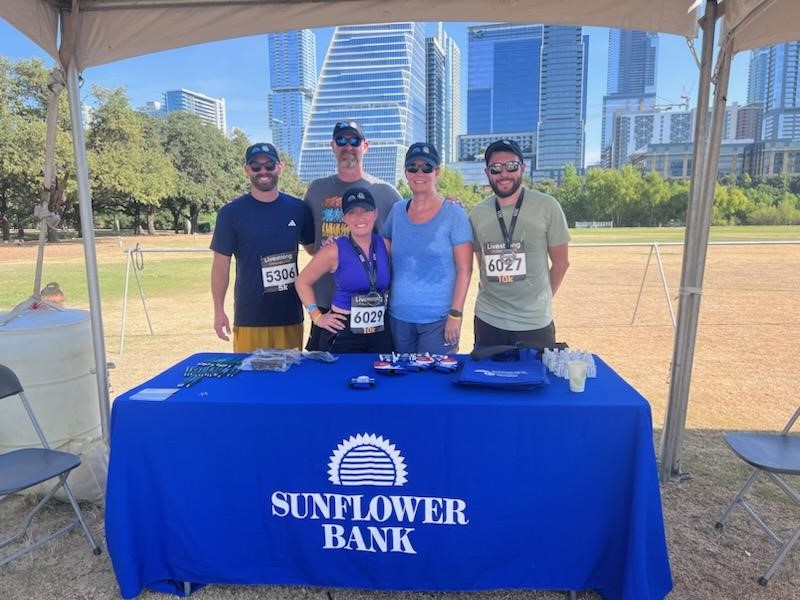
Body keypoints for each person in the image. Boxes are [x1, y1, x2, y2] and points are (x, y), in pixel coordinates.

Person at [303, 119, 402, 350]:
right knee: (328, 379)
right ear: (332, 146)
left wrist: (447, 203)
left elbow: (409, 227)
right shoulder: (316, 189)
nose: (348, 145)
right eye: (341, 140)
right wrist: (334, 252)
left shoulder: (386, 192)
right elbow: (309, 243)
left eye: (354, 140)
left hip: (376, 311)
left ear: (365, 146)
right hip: (330, 306)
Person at [211, 143, 314, 352]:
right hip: (250, 316)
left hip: (290, 315)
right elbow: (220, 266)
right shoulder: (231, 213)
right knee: (251, 382)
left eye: (269, 165)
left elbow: (314, 250)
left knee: (288, 381)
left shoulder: (298, 209)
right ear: (247, 170)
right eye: (256, 166)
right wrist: (218, 310)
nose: (263, 171)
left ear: (280, 167)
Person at [469, 139, 570, 349]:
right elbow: (482, 263)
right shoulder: (477, 213)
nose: (504, 173)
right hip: (489, 320)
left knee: (535, 381)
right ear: (487, 173)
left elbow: (561, 263)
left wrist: (542, 299)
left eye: (511, 166)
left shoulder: (547, 206)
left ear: (522, 168)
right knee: (487, 379)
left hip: (534, 322)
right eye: (496, 168)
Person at [381, 143, 473, 354]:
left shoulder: (454, 213)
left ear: (437, 172)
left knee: (434, 382)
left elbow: (465, 270)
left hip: (439, 321)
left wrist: (455, 315)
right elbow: (380, 252)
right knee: (403, 382)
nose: (419, 172)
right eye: (412, 167)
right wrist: (341, 244)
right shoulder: (396, 211)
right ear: (405, 172)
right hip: (398, 318)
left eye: (426, 167)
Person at [295, 187, 393, 354]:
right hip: (344, 330)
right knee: (343, 379)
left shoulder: (385, 245)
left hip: (379, 329)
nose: (360, 217)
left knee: (380, 377)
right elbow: (302, 281)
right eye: (352, 212)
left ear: (375, 214)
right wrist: (317, 316)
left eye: (366, 211)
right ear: (344, 218)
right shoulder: (333, 250)